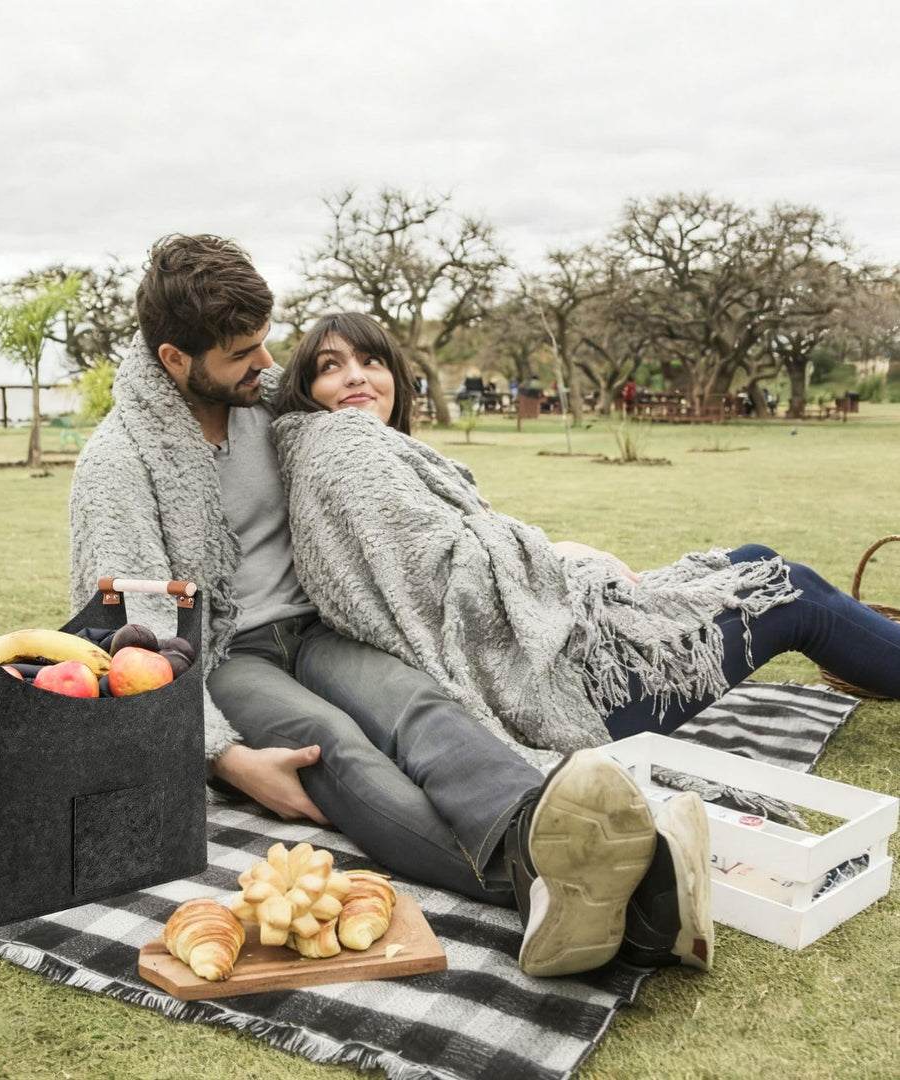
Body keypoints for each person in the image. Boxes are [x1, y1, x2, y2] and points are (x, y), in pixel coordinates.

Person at [69, 234, 713, 979]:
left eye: (264, 342)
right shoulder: (117, 463)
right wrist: (227, 756)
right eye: (243, 352)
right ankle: (566, 880)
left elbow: (374, 453)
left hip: (317, 625)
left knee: (419, 705)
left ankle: (550, 828)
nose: (266, 364)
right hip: (224, 655)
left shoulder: (268, 404)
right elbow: (130, 640)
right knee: (331, 742)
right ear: (176, 360)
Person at [272, 312, 900, 751]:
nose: (355, 375)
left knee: (756, 559)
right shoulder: (344, 449)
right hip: (560, 695)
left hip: (556, 651)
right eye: (331, 366)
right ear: (306, 388)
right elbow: (444, 581)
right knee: (791, 590)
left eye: (370, 360)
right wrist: (564, 556)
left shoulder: (371, 449)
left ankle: (875, 657)